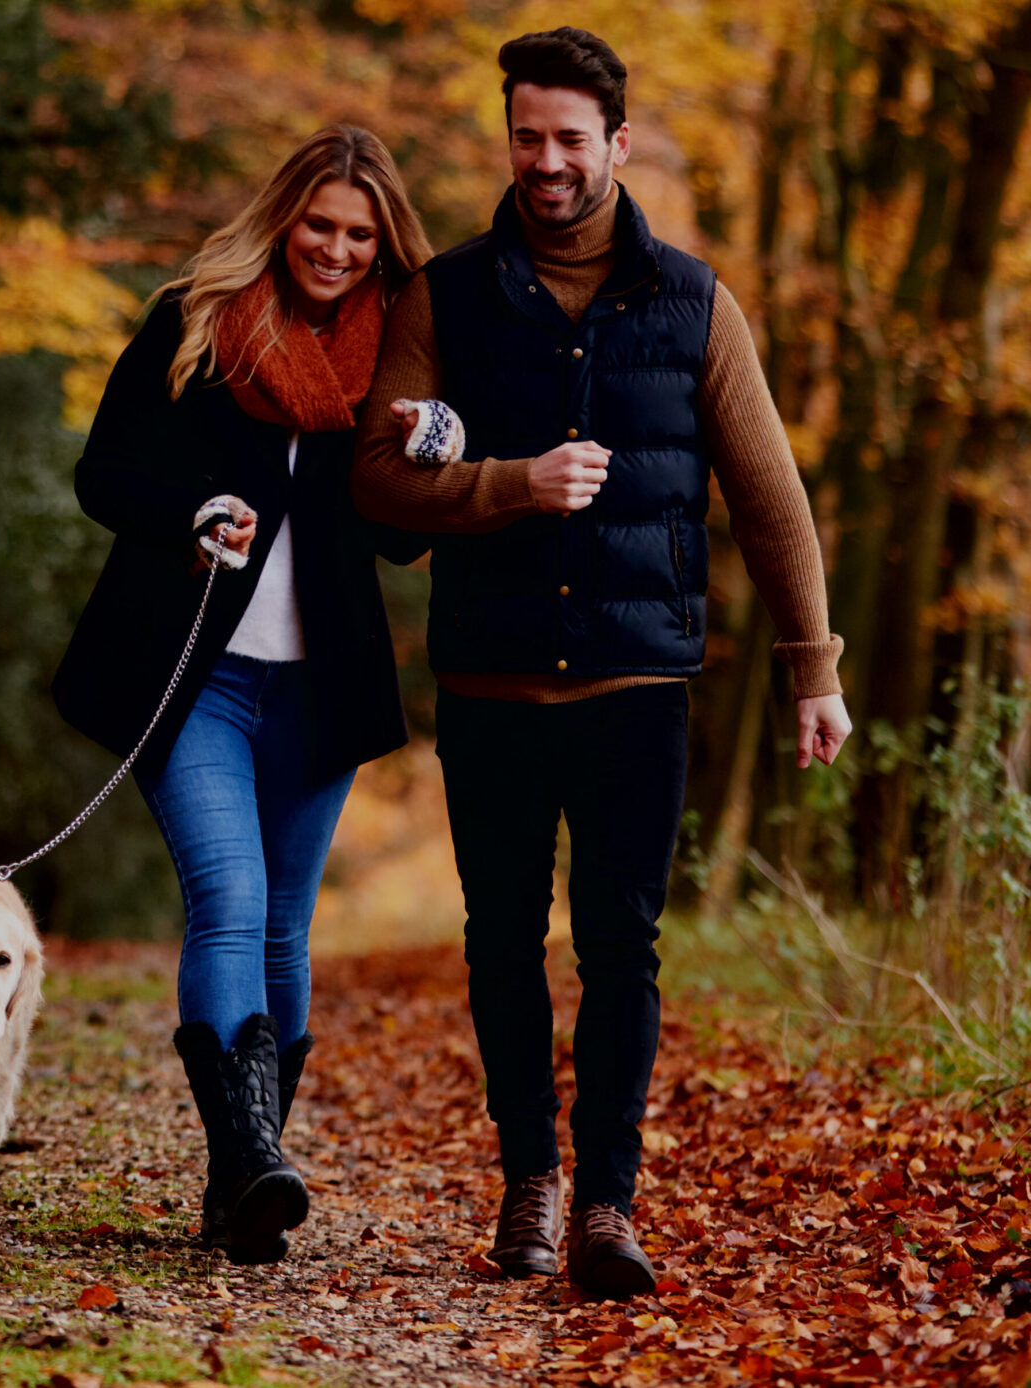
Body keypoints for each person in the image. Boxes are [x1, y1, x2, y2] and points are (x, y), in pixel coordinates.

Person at [351, 29, 854, 1299]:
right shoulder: (445, 298)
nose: (547, 161)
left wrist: (814, 667)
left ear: (617, 146)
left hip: (637, 688)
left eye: (571, 138)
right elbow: (376, 480)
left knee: (622, 948)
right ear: (507, 138)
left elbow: (771, 495)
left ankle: (608, 1204)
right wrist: (509, 485)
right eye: (527, 136)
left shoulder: (693, 302)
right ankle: (530, 1181)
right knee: (501, 941)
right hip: (490, 687)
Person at [53, 126, 433, 1265]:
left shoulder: (397, 358)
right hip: (197, 675)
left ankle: (244, 1172)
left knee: (283, 923)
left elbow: (403, 548)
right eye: (320, 225)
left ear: (381, 245)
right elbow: (101, 471)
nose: (336, 249)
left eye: (359, 235)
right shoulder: (196, 319)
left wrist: (426, 452)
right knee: (226, 894)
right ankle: (250, 1159)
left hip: (320, 687)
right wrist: (188, 514)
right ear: (284, 217)